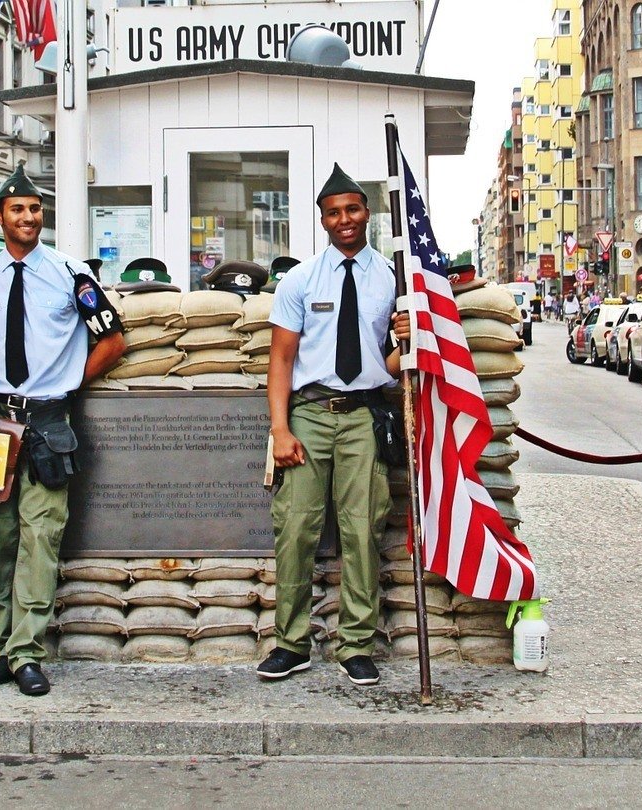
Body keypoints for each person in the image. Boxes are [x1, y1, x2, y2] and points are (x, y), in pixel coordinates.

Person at [258, 163, 411, 687]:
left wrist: (406, 340)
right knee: (296, 529)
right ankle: (291, 643)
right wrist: (280, 430)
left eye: (352, 209)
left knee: (362, 531)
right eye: (333, 213)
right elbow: (280, 360)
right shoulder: (302, 279)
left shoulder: (393, 279)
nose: (344, 220)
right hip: (308, 414)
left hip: (364, 415)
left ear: (368, 212)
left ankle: (356, 645)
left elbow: (386, 361)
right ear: (322, 219)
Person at [0, 166, 125, 696]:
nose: (28, 218)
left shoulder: (70, 273)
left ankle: (26, 651)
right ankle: (1, 646)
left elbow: (113, 339)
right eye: (17, 210)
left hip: (45, 422)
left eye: (35, 209)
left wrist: (66, 383)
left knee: (41, 538)